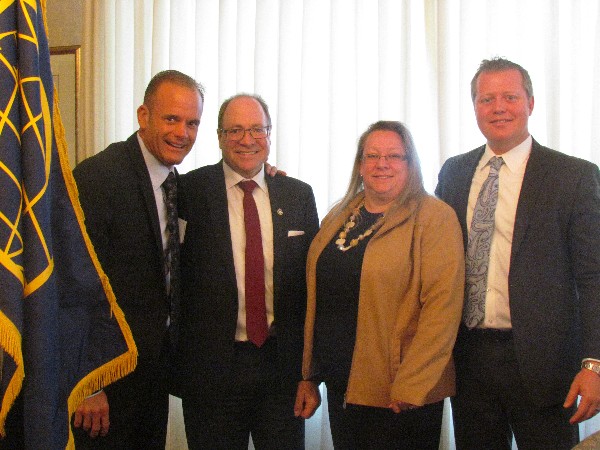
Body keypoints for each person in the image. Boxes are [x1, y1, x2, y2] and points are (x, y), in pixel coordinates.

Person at [435, 57, 600, 449]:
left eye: (509, 96)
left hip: (544, 365)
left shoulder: (573, 176)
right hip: (469, 358)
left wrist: (594, 363)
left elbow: (594, 277)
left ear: (530, 102)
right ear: (474, 106)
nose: (498, 108)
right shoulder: (455, 172)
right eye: (486, 98)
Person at [296, 120, 465, 449]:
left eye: (394, 156)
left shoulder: (434, 218)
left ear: (410, 163)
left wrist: (413, 385)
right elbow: (321, 300)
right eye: (372, 155)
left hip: (399, 392)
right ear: (360, 165)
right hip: (343, 381)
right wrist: (310, 373)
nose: (381, 164)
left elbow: (442, 309)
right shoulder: (341, 216)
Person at [176, 93, 320, 449]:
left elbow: (312, 291)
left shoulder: (298, 195)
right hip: (213, 372)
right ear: (220, 136)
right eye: (235, 130)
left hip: (281, 368)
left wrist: (310, 375)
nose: (247, 139)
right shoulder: (188, 192)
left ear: (269, 135)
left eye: (257, 129)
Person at [72, 70, 204, 448]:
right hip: (105, 387)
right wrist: (88, 383)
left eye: (192, 122)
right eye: (172, 119)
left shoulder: (175, 184)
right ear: (143, 116)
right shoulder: (99, 177)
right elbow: (75, 286)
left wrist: (267, 175)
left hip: (153, 377)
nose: (183, 132)